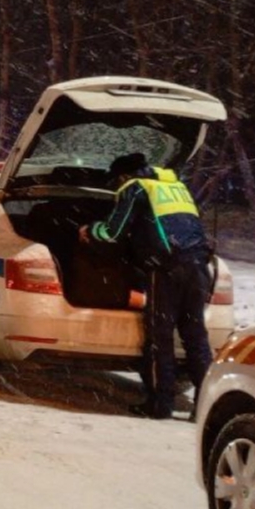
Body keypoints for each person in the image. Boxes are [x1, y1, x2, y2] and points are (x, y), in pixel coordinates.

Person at [80, 152, 214, 420]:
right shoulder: (176, 187)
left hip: (166, 270)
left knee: (159, 339)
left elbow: (113, 233)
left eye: (115, 182)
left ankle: (159, 405)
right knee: (196, 338)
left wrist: (90, 231)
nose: (116, 188)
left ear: (123, 176)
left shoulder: (134, 188)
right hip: (199, 267)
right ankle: (206, 407)